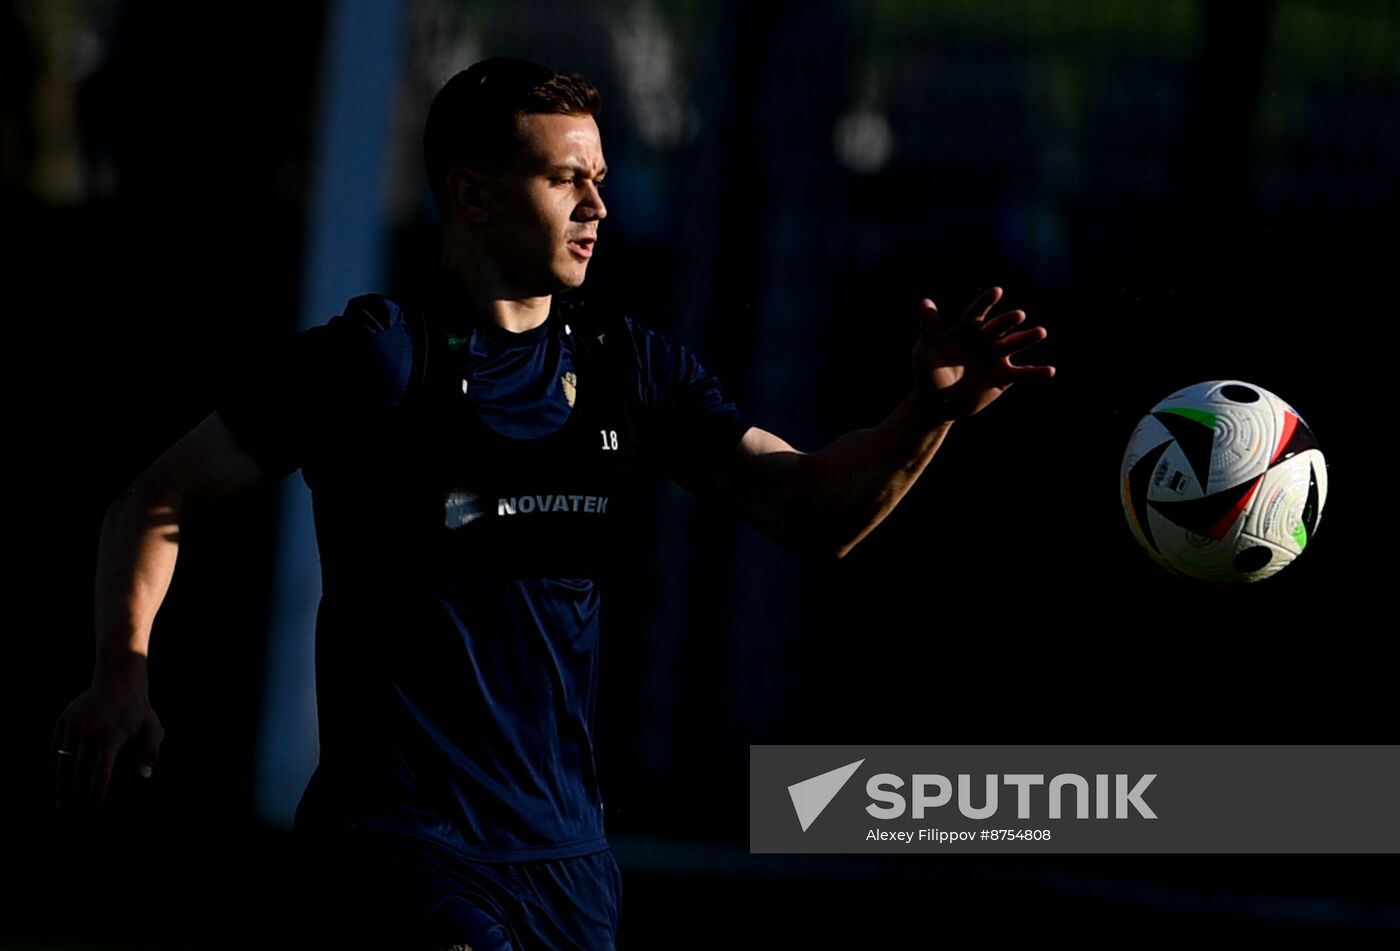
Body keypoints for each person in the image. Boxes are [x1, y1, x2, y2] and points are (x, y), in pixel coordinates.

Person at [51, 57, 1054, 949]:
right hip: (397, 850)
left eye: (600, 181)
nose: (597, 207)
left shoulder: (630, 367)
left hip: (566, 864)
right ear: (472, 195)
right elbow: (158, 496)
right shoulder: (378, 359)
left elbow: (808, 507)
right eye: (564, 179)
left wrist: (927, 413)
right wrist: (122, 674)